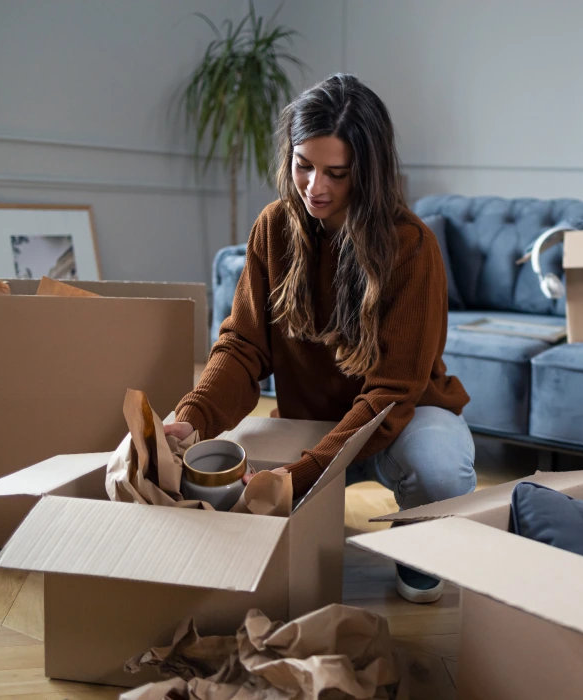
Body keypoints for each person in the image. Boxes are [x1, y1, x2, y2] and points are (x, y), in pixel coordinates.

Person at [165, 74, 475, 604]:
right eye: (303, 165)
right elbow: (243, 346)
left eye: (337, 173)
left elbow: (390, 394)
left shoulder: (411, 246)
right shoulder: (273, 228)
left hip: (401, 417)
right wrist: (188, 418)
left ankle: (419, 546)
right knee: (219, 467)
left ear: (369, 173)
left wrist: (301, 472)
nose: (315, 188)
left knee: (441, 470)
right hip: (308, 421)